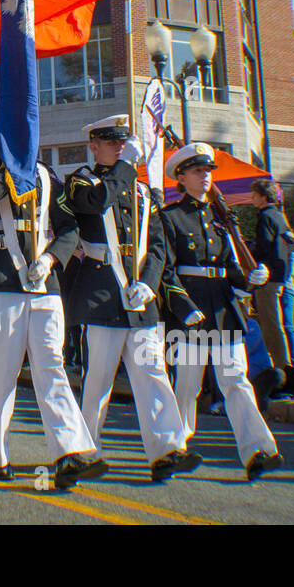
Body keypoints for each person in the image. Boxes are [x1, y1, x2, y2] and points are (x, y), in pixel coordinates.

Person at [0, 91, 106, 489]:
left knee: (51, 365)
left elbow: (68, 228)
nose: (10, 129)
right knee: (3, 370)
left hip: (44, 282)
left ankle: (69, 452)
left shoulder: (47, 174)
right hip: (1, 279)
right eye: (1, 123)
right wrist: (14, 162)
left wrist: (50, 259)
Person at [61, 114, 199, 483]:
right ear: (94, 146)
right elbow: (94, 203)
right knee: (99, 381)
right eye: (110, 141)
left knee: (152, 374)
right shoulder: (81, 181)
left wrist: (150, 284)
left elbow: (157, 246)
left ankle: (167, 449)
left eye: (122, 141)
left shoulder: (140, 191)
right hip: (102, 293)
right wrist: (125, 167)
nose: (119, 146)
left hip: (139, 300)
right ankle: (84, 450)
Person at [158, 142, 282, 481]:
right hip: (192, 309)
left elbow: (230, 267)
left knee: (236, 380)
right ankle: (175, 448)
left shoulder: (221, 219)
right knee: (187, 386)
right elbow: (166, 270)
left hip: (224, 308)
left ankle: (258, 449)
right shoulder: (169, 217)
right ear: (181, 178)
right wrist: (182, 308)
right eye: (198, 171)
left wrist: (250, 280)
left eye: (208, 171)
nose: (206, 176)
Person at [249, 178, 294, 397]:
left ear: (264, 196)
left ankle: (282, 373)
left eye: (255, 195)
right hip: (282, 277)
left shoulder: (266, 217)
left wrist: (253, 259)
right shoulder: (280, 216)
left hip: (269, 279)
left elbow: (265, 248)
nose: (252, 199)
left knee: (272, 327)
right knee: (282, 325)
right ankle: (287, 369)